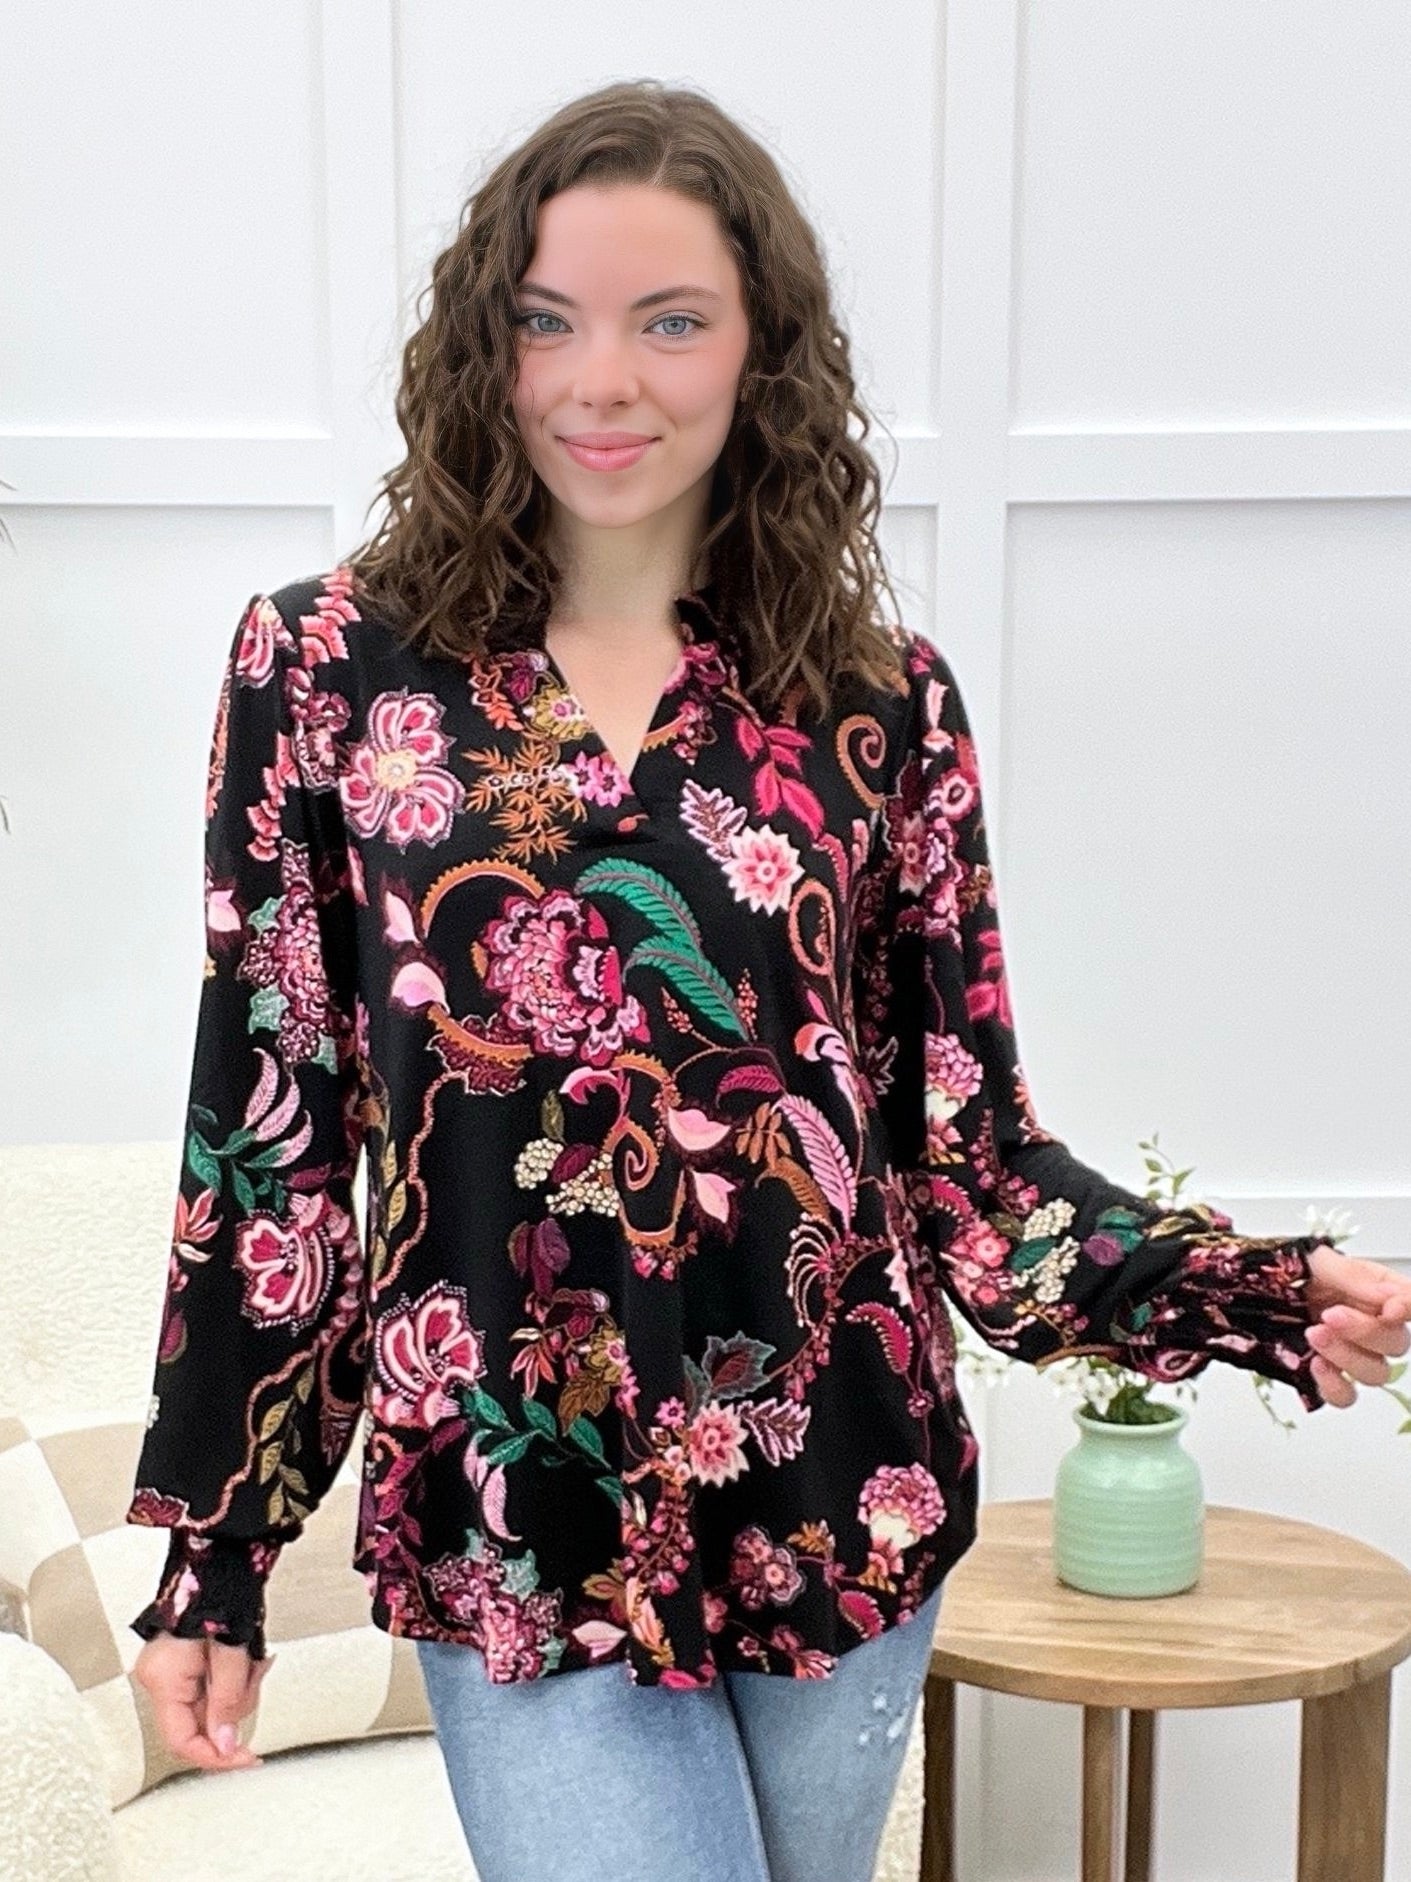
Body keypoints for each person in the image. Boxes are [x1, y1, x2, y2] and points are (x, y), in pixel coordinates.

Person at [125, 79, 1409, 1882]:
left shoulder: (881, 701)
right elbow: (270, 1141)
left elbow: (969, 1161)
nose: (602, 382)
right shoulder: (328, 668)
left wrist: (1253, 1291)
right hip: (520, 1515)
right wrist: (217, 1554)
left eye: (670, 323)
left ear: (761, 353)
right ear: (485, 343)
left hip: (839, 1500)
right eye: (548, 321)